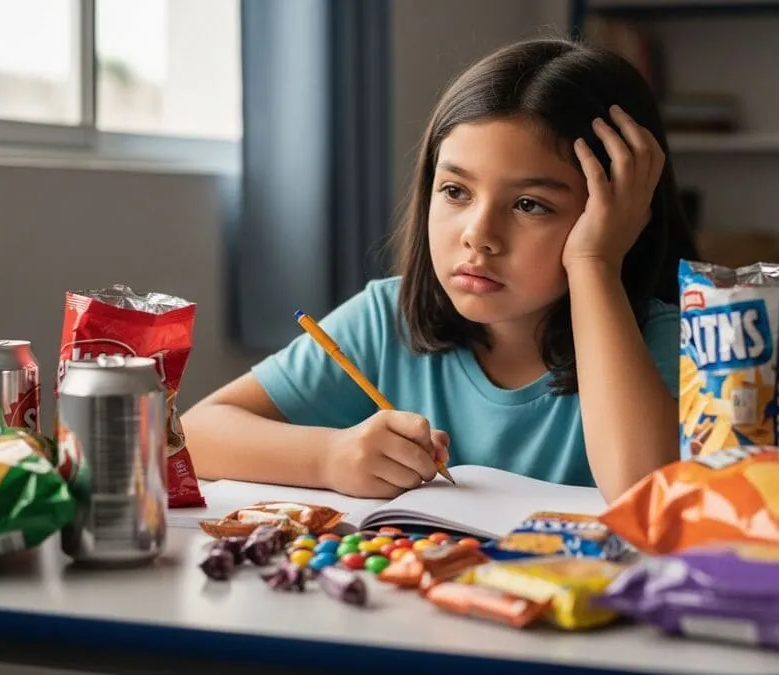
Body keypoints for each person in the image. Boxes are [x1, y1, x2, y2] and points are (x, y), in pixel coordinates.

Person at [182, 37, 698, 503]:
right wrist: (330, 457)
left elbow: (646, 492)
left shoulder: (666, 339)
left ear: (620, 213)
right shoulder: (388, 318)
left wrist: (593, 263)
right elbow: (197, 432)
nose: (479, 234)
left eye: (529, 205)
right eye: (455, 191)